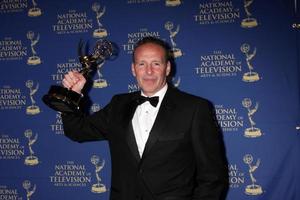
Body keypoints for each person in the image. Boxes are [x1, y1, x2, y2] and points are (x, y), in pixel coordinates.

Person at [61, 37, 228, 200]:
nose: (149, 71)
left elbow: (212, 177)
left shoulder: (195, 108)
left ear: (167, 68)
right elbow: (77, 131)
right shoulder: (118, 105)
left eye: (156, 63)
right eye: (142, 64)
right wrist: (72, 95)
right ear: (133, 69)